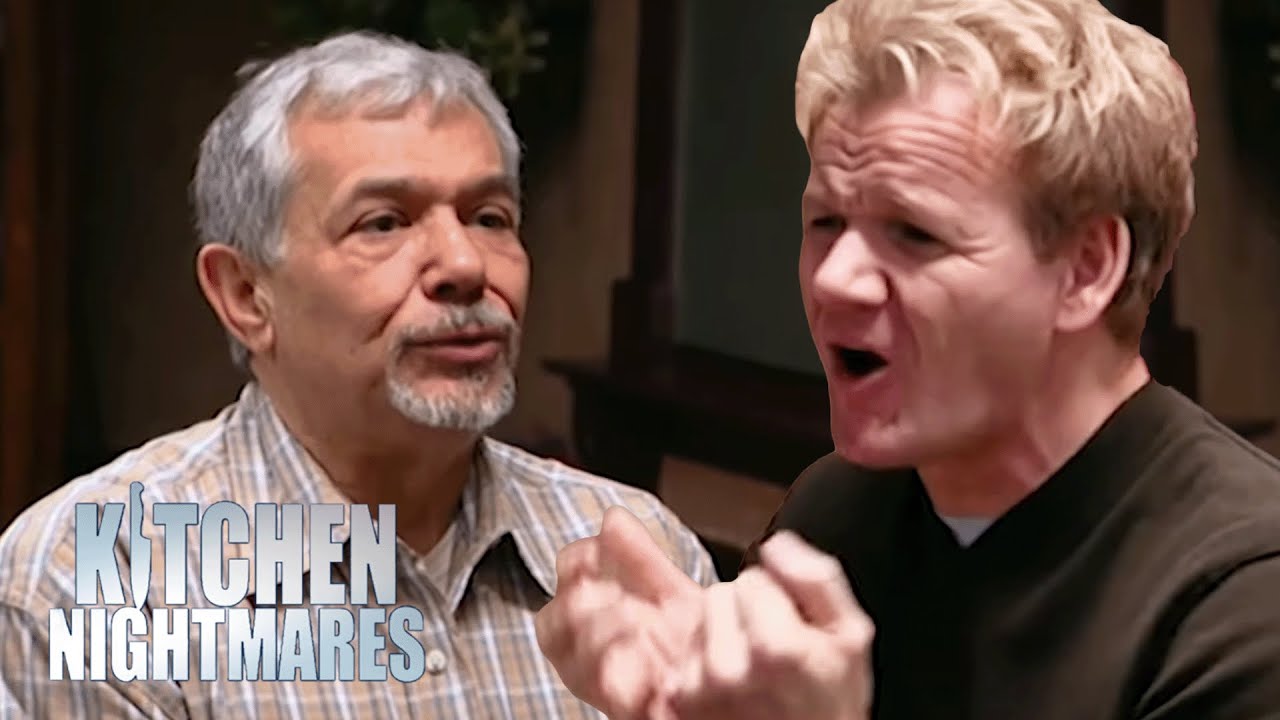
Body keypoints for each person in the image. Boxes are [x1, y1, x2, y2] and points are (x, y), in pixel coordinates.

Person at [536, 0, 1280, 718]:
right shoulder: (837, 511)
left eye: (915, 234)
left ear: (1086, 269)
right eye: (827, 222)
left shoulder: (1241, 601)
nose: (835, 279)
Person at [0, 31, 717, 718]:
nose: (465, 265)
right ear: (246, 296)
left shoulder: (638, 553)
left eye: (490, 218)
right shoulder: (100, 579)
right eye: (384, 224)